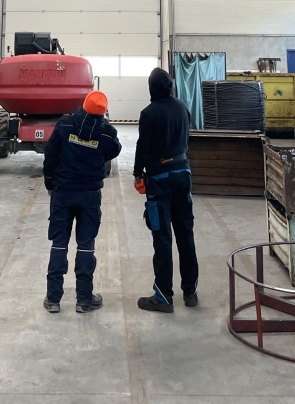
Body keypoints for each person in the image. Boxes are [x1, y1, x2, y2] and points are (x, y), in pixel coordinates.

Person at [42, 89, 121, 314]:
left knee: (59, 243)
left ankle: (53, 299)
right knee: (86, 245)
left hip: (62, 193)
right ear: (103, 112)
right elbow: (114, 150)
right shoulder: (107, 133)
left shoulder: (65, 124)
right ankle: (84, 299)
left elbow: (51, 155)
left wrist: (49, 183)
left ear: (84, 104)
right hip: (89, 196)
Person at [133, 67, 199, 313]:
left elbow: (143, 147)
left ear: (151, 88)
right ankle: (190, 291)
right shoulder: (182, 107)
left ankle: (163, 297)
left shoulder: (149, 113)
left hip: (160, 179)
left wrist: (138, 173)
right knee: (185, 233)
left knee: (162, 237)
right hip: (183, 174)